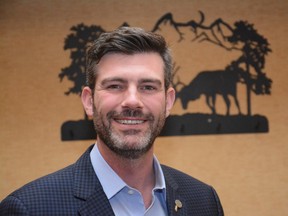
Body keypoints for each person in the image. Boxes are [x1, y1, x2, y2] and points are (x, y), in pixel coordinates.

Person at [0, 27, 224, 216]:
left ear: (168, 102)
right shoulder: (29, 208)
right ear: (89, 101)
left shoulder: (204, 201)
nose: (132, 101)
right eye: (115, 86)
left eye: (148, 87)